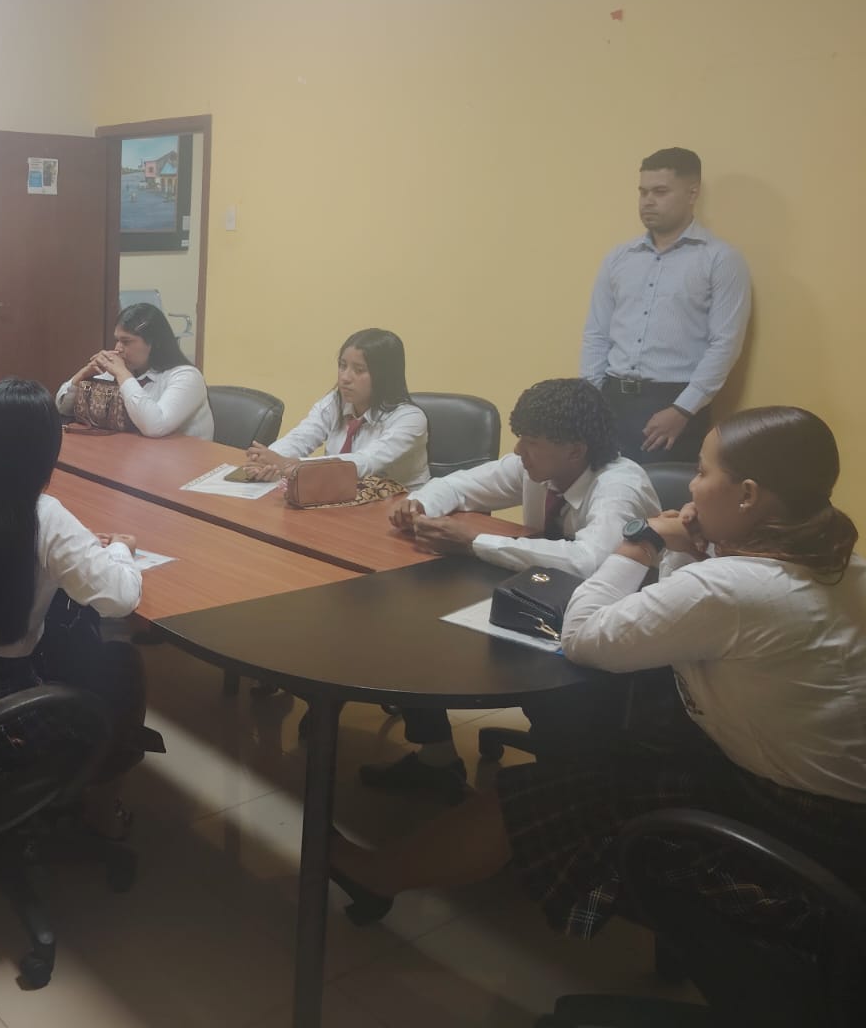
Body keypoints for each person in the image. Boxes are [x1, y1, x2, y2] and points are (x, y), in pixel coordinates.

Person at [326, 407, 866, 940]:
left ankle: (377, 875)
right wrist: (689, 550)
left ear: (747, 495)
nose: (691, 488)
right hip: (833, 813)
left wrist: (642, 540)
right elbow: (684, 611)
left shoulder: (736, 586)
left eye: (703, 472)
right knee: (610, 750)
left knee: (554, 790)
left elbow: (582, 638)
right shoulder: (837, 565)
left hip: (799, 834)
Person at [371, 378, 661, 799]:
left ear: (575, 450)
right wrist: (421, 505)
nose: (518, 450)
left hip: (608, 633)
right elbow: (457, 484)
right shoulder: (539, 469)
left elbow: (591, 562)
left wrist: (475, 541)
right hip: (543, 603)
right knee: (420, 619)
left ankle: (568, 790)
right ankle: (436, 756)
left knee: (558, 717)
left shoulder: (619, 487)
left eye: (531, 442)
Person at [0, 378, 156, 839]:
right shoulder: (44, 515)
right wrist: (120, 549)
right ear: (47, 451)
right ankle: (101, 808)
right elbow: (121, 597)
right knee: (121, 663)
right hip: (4, 713)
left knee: (69, 622)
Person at [581, 147, 752, 463]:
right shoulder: (619, 258)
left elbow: (725, 345)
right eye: (643, 192)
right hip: (611, 399)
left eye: (660, 192)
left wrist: (683, 409)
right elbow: (597, 333)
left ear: (692, 193)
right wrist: (590, 399)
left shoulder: (720, 259)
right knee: (603, 486)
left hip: (675, 404)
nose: (647, 201)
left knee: (662, 492)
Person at [240, 327, 430, 489]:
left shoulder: (410, 419)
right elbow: (301, 437)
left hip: (396, 509)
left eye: (359, 370)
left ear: (384, 376)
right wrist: (268, 462)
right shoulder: (336, 402)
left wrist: (291, 465)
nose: (345, 377)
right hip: (341, 499)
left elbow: (366, 462)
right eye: (342, 365)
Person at [56, 301, 214, 439]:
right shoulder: (128, 369)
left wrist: (122, 374)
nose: (118, 348)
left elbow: (154, 427)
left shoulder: (187, 377)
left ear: (154, 343)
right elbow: (63, 408)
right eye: (117, 340)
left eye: (126, 342)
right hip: (139, 452)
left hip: (187, 459)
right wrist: (83, 375)